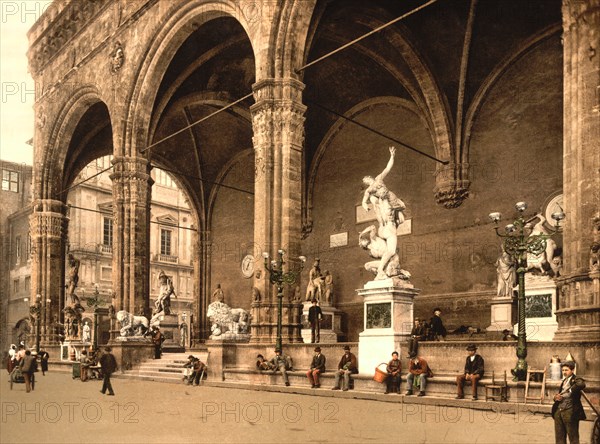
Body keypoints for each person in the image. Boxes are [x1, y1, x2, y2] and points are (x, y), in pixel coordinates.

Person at [361, 146, 406, 279]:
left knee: (401, 215)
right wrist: (364, 204)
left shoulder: (379, 179)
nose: (366, 182)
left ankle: (383, 269)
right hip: (386, 221)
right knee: (391, 251)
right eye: (364, 182)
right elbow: (365, 199)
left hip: (391, 200)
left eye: (366, 180)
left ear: (370, 178)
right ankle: (381, 269)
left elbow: (387, 168)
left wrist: (392, 156)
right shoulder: (369, 191)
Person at [552, 361, 586, 444]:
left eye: (566, 370)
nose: (564, 372)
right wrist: (556, 397)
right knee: (559, 437)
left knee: (573, 437)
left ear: (572, 370)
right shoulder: (564, 381)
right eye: (563, 370)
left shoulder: (576, 379)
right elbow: (561, 394)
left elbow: (581, 384)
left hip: (570, 412)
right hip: (559, 412)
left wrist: (570, 389)